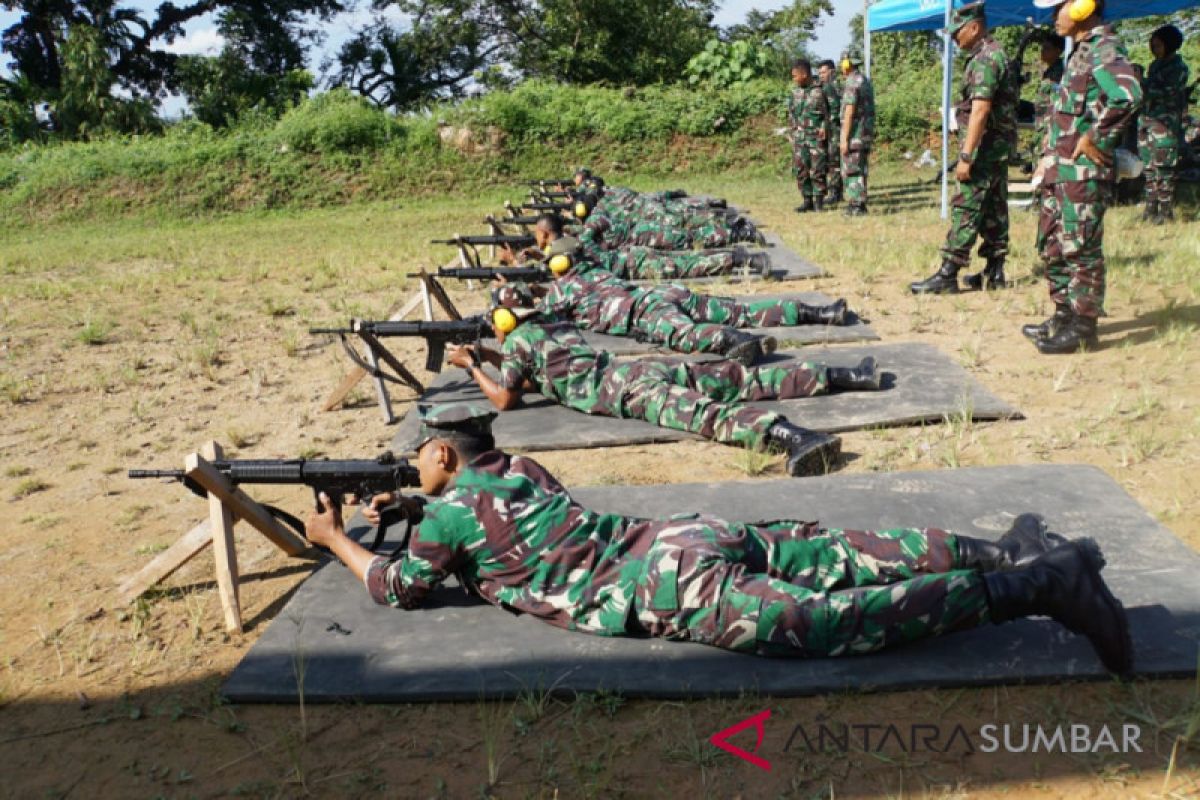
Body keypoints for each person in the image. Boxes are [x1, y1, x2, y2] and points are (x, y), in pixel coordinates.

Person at [305, 404, 1132, 675]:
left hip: (663, 586)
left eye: (418, 454)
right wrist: (407, 505)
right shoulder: (519, 463)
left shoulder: (447, 516)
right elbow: (498, 520)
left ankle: (1035, 585)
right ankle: (1005, 545)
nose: (414, 462)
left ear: (441, 455)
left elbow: (397, 588)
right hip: (684, 536)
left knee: (818, 621)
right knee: (844, 551)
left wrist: (337, 538)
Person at [445, 292, 872, 476]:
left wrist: (472, 367)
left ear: (503, 322)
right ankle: (847, 375)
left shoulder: (519, 343)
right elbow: (530, 364)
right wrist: (487, 357)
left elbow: (505, 399)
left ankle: (796, 438)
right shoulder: (549, 328)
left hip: (626, 392)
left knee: (706, 415)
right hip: (639, 369)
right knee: (737, 378)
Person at [1022, 0, 1142, 355]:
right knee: (1054, 244)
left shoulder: (1104, 48)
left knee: (1082, 248)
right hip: (1061, 170)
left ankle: (1084, 327)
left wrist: (1097, 137)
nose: (1053, 15)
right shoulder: (1081, 52)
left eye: (1058, 6)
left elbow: (1128, 94)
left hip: (1083, 173)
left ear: (1082, 6)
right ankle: (1063, 314)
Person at [519, 238, 849, 365]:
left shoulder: (562, 290)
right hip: (665, 293)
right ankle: (820, 311)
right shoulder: (594, 267)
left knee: (686, 334)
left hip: (642, 310)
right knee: (740, 310)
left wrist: (521, 290)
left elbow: (539, 315)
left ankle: (735, 342)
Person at [911, 3, 1019, 295]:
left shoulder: (986, 59)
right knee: (995, 208)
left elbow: (980, 111)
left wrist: (966, 156)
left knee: (966, 207)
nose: (954, 39)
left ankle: (948, 273)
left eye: (957, 32)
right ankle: (994, 271)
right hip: (997, 149)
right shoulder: (996, 53)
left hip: (983, 150)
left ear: (974, 27)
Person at [1138, 24, 1190, 224]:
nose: (1154, 48)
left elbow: (1167, 93)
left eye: (1158, 45)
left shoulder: (1179, 68)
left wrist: (1141, 83)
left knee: (1165, 168)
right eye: (1153, 45)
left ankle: (1166, 210)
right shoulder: (1155, 66)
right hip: (1147, 122)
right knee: (1148, 167)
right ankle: (1150, 206)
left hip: (1165, 125)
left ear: (1170, 45)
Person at [1030, 33, 1066, 214]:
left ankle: (1046, 201)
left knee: (1047, 162)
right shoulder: (1049, 70)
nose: (1042, 52)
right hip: (1041, 124)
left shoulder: (1060, 72)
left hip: (1049, 126)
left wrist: (1051, 130)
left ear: (1058, 51)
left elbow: (1057, 104)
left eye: (1047, 48)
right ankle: (1038, 200)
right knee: (1038, 161)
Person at [788, 59, 830, 213]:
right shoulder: (795, 92)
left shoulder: (821, 90)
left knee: (817, 169)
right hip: (800, 138)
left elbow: (830, 112)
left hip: (816, 138)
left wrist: (825, 127)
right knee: (801, 169)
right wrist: (792, 131)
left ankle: (819, 201)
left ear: (804, 74)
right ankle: (807, 200)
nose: (793, 79)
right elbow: (791, 113)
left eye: (795, 76)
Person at [838, 46, 876, 216]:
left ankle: (856, 205)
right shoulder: (864, 80)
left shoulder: (852, 82)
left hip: (855, 134)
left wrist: (844, 139)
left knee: (852, 169)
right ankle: (859, 203)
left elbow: (849, 111)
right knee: (861, 169)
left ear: (847, 64)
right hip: (865, 134)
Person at [818, 59, 844, 205]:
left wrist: (825, 126)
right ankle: (837, 191)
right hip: (836, 128)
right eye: (819, 73)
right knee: (834, 161)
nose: (821, 75)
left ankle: (835, 192)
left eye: (823, 72)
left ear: (831, 71)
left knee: (833, 162)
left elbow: (834, 110)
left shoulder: (829, 87)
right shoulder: (836, 85)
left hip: (834, 130)